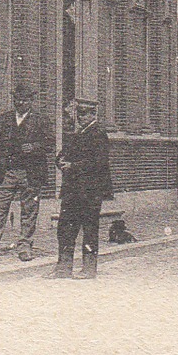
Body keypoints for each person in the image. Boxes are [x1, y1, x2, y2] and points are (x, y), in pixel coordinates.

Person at [0, 82, 53, 261]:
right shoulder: (5, 119)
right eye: (17, 100)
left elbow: (50, 143)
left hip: (30, 172)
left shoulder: (41, 120)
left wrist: (34, 147)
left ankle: (25, 246)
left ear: (31, 101)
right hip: (7, 171)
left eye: (24, 100)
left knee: (29, 211)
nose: (20, 103)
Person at [54, 98, 112, 280]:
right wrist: (60, 161)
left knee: (89, 228)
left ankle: (89, 268)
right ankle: (64, 267)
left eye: (85, 114)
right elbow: (64, 153)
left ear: (94, 114)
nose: (81, 117)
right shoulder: (78, 133)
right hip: (73, 188)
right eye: (79, 114)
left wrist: (73, 166)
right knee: (65, 227)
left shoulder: (99, 133)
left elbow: (99, 162)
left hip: (90, 189)